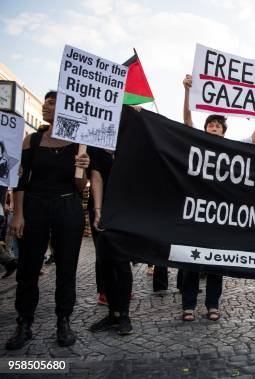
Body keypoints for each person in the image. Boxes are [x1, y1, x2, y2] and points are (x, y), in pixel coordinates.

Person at [181, 74, 255, 321]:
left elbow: (252, 140)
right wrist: (187, 91)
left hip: (220, 214)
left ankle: (213, 304)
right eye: (210, 125)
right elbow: (187, 120)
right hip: (196, 210)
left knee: (215, 262)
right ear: (205, 129)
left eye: (217, 126)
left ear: (223, 132)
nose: (213, 128)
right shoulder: (196, 142)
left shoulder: (230, 148)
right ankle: (188, 305)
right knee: (189, 260)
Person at [6, 90, 90, 350]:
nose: (45, 106)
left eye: (52, 103)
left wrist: (83, 166)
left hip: (67, 205)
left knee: (67, 266)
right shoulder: (31, 140)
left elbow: (80, 185)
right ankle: (24, 322)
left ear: (64, 108)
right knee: (28, 267)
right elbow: (20, 180)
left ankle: (63, 321)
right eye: (45, 102)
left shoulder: (79, 143)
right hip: (35, 206)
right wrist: (18, 214)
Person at [87, 145, 134, 335]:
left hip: (124, 212)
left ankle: (124, 314)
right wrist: (98, 210)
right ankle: (112, 312)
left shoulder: (130, 145)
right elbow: (96, 175)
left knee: (122, 263)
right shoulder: (95, 148)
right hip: (101, 210)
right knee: (104, 263)